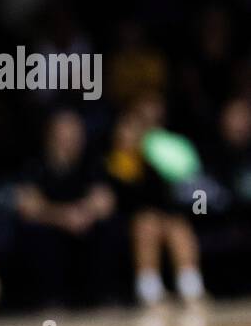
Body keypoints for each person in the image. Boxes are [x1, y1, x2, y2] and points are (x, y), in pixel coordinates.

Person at [104, 99, 205, 307]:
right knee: (147, 224)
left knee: (177, 225)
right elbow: (122, 196)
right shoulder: (115, 160)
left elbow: (171, 193)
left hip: (161, 216)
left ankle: (191, 287)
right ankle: (149, 291)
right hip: (128, 220)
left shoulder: (157, 156)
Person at [15, 110, 116, 307]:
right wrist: (63, 217)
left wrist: (84, 213)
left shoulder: (92, 162)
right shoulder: (35, 164)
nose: (72, 139)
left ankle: (101, 297)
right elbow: (27, 206)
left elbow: (105, 201)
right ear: (51, 135)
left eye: (76, 133)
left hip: (84, 223)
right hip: (51, 226)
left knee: (109, 228)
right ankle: (51, 300)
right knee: (37, 234)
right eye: (65, 133)